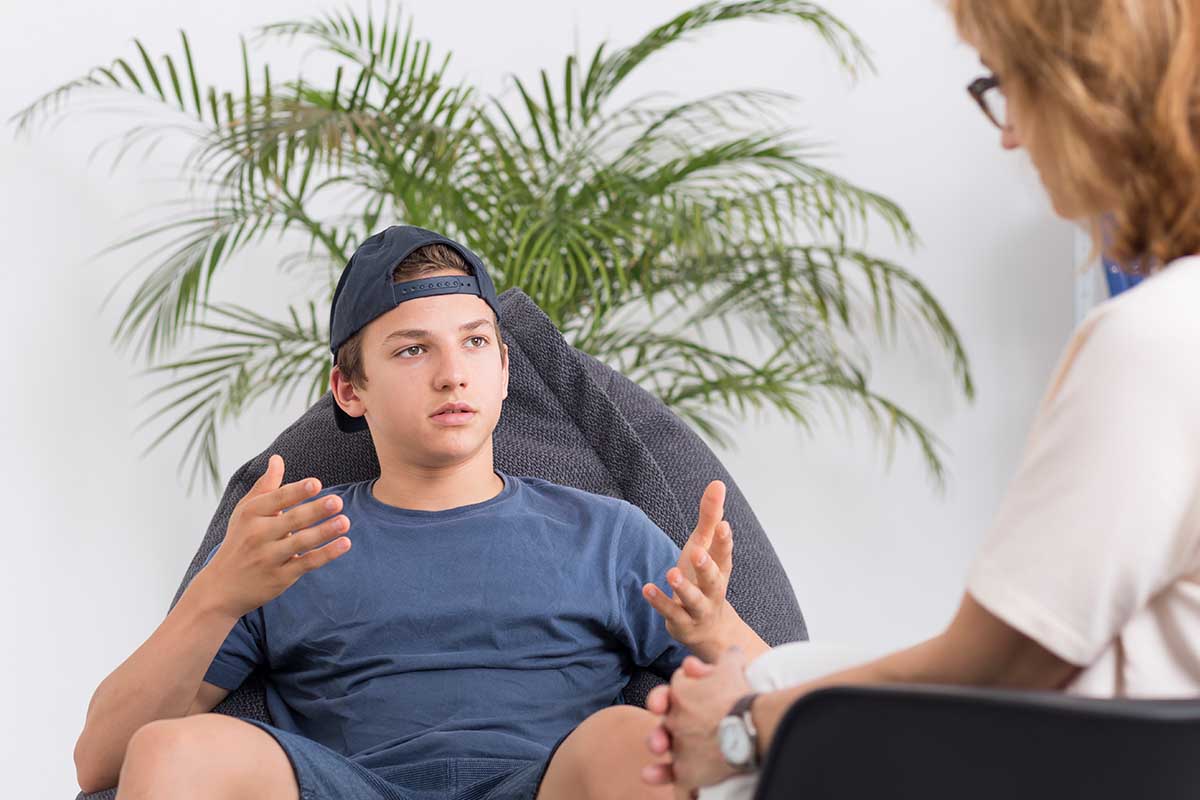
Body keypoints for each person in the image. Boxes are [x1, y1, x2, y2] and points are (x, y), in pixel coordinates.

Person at [639, 0, 1200, 796]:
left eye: (1006, 84)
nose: (1009, 134)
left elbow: (1001, 663)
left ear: (1092, 88)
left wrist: (745, 724)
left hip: (1057, 767)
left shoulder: (1155, 339)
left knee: (640, 754)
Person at [72, 225, 770, 800]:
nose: (452, 374)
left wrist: (715, 628)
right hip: (349, 788)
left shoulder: (607, 532)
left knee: (631, 741)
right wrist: (218, 595)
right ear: (349, 390)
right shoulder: (290, 541)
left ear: (503, 369)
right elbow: (99, 763)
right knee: (172, 751)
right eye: (413, 350)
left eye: (473, 342)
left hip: (543, 784)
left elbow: (790, 702)